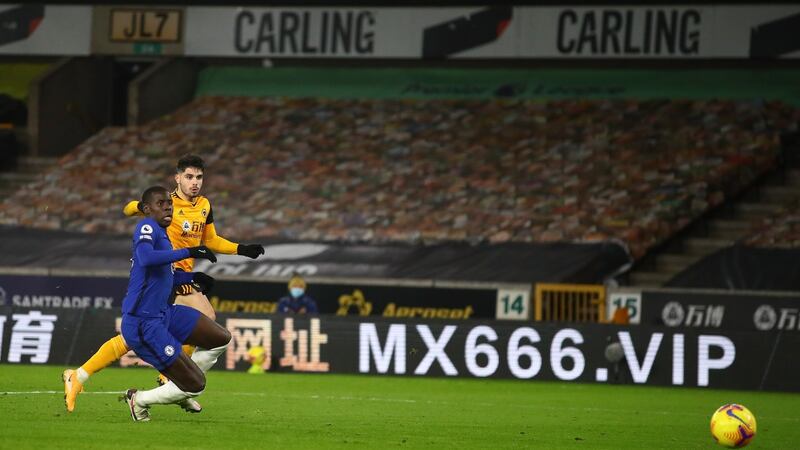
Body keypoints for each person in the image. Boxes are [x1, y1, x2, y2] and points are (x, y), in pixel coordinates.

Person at [62, 154, 264, 413]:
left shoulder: (204, 205)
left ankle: (82, 375)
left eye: (199, 177)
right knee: (204, 319)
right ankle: (176, 383)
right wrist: (136, 206)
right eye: (189, 177)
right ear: (177, 178)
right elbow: (130, 211)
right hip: (165, 272)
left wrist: (241, 249)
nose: (195, 183)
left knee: (131, 338)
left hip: (180, 273)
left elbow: (210, 240)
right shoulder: (164, 204)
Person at [116, 185, 231, 422]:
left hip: (163, 314)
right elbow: (146, 258)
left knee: (221, 338)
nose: (168, 207)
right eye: (161, 204)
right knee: (196, 385)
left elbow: (165, 275)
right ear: (147, 209)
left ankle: (182, 385)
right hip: (144, 323)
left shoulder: (164, 236)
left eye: (169, 203)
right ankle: (140, 400)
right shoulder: (146, 226)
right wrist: (189, 251)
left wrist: (192, 278)